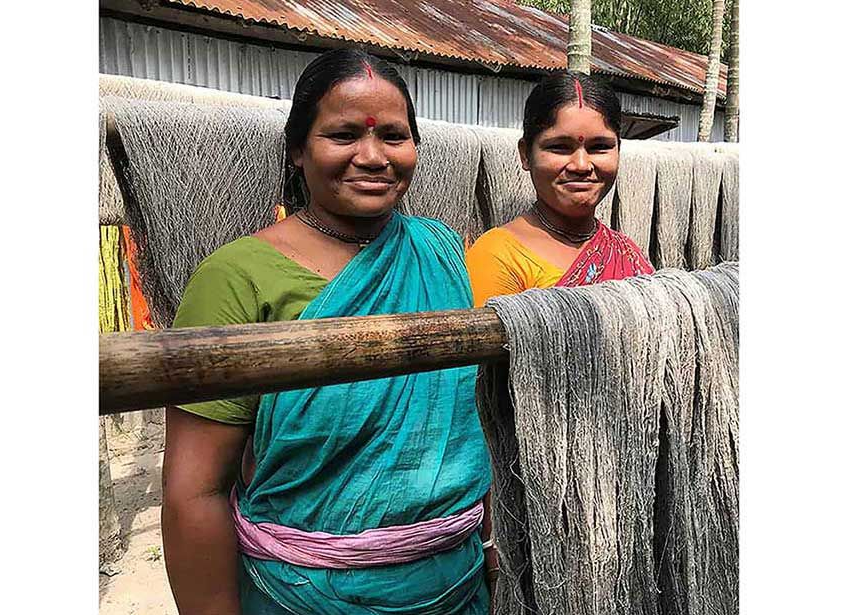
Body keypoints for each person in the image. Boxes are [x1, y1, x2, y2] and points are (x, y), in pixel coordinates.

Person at [161, 48, 497, 615]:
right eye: (343, 135)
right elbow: (195, 490)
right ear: (297, 150)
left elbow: (464, 424)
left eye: (393, 136)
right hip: (302, 595)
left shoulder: (440, 251)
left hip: (455, 585)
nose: (372, 156)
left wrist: (486, 546)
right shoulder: (237, 278)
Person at [466, 71, 654, 307]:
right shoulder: (496, 257)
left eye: (600, 147)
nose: (581, 165)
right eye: (560, 148)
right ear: (525, 154)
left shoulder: (627, 251)